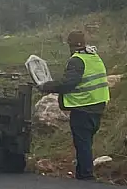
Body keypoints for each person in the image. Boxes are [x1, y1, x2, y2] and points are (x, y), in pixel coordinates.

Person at [39, 30, 110, 181]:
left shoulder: (77, 60)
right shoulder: (94, 57)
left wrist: (46, 86)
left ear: (70, 45)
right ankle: (82, 174)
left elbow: (68, 83)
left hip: (83, 107)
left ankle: (85, 175)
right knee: (86, 143)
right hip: (97, 107)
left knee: (82, 144)